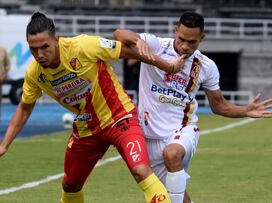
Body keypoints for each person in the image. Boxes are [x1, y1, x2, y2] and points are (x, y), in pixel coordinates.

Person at [0, 12, 185, 203]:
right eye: (33, 49)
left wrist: (168, 66)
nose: (39, 54)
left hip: (119, 117)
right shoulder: (35, 74)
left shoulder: (83, 46)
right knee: (70, 185)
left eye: (44, 47)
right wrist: (4, 145)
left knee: (141, 171)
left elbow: (128, 51)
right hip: (86, 129)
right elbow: (25, 108)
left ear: (57, 40)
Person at [113, 11, 272, 203]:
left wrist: (245, 111)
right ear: (175, 31)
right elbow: (119, 33)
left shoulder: (206, 66)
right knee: (169, 193)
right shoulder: (156, 45)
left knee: (171, 154)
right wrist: (138, 42)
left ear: (202, 39)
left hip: (182, 130)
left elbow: (219, 105)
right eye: (181, 39)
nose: (185, 46)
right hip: (149, 134)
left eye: (192, 42)